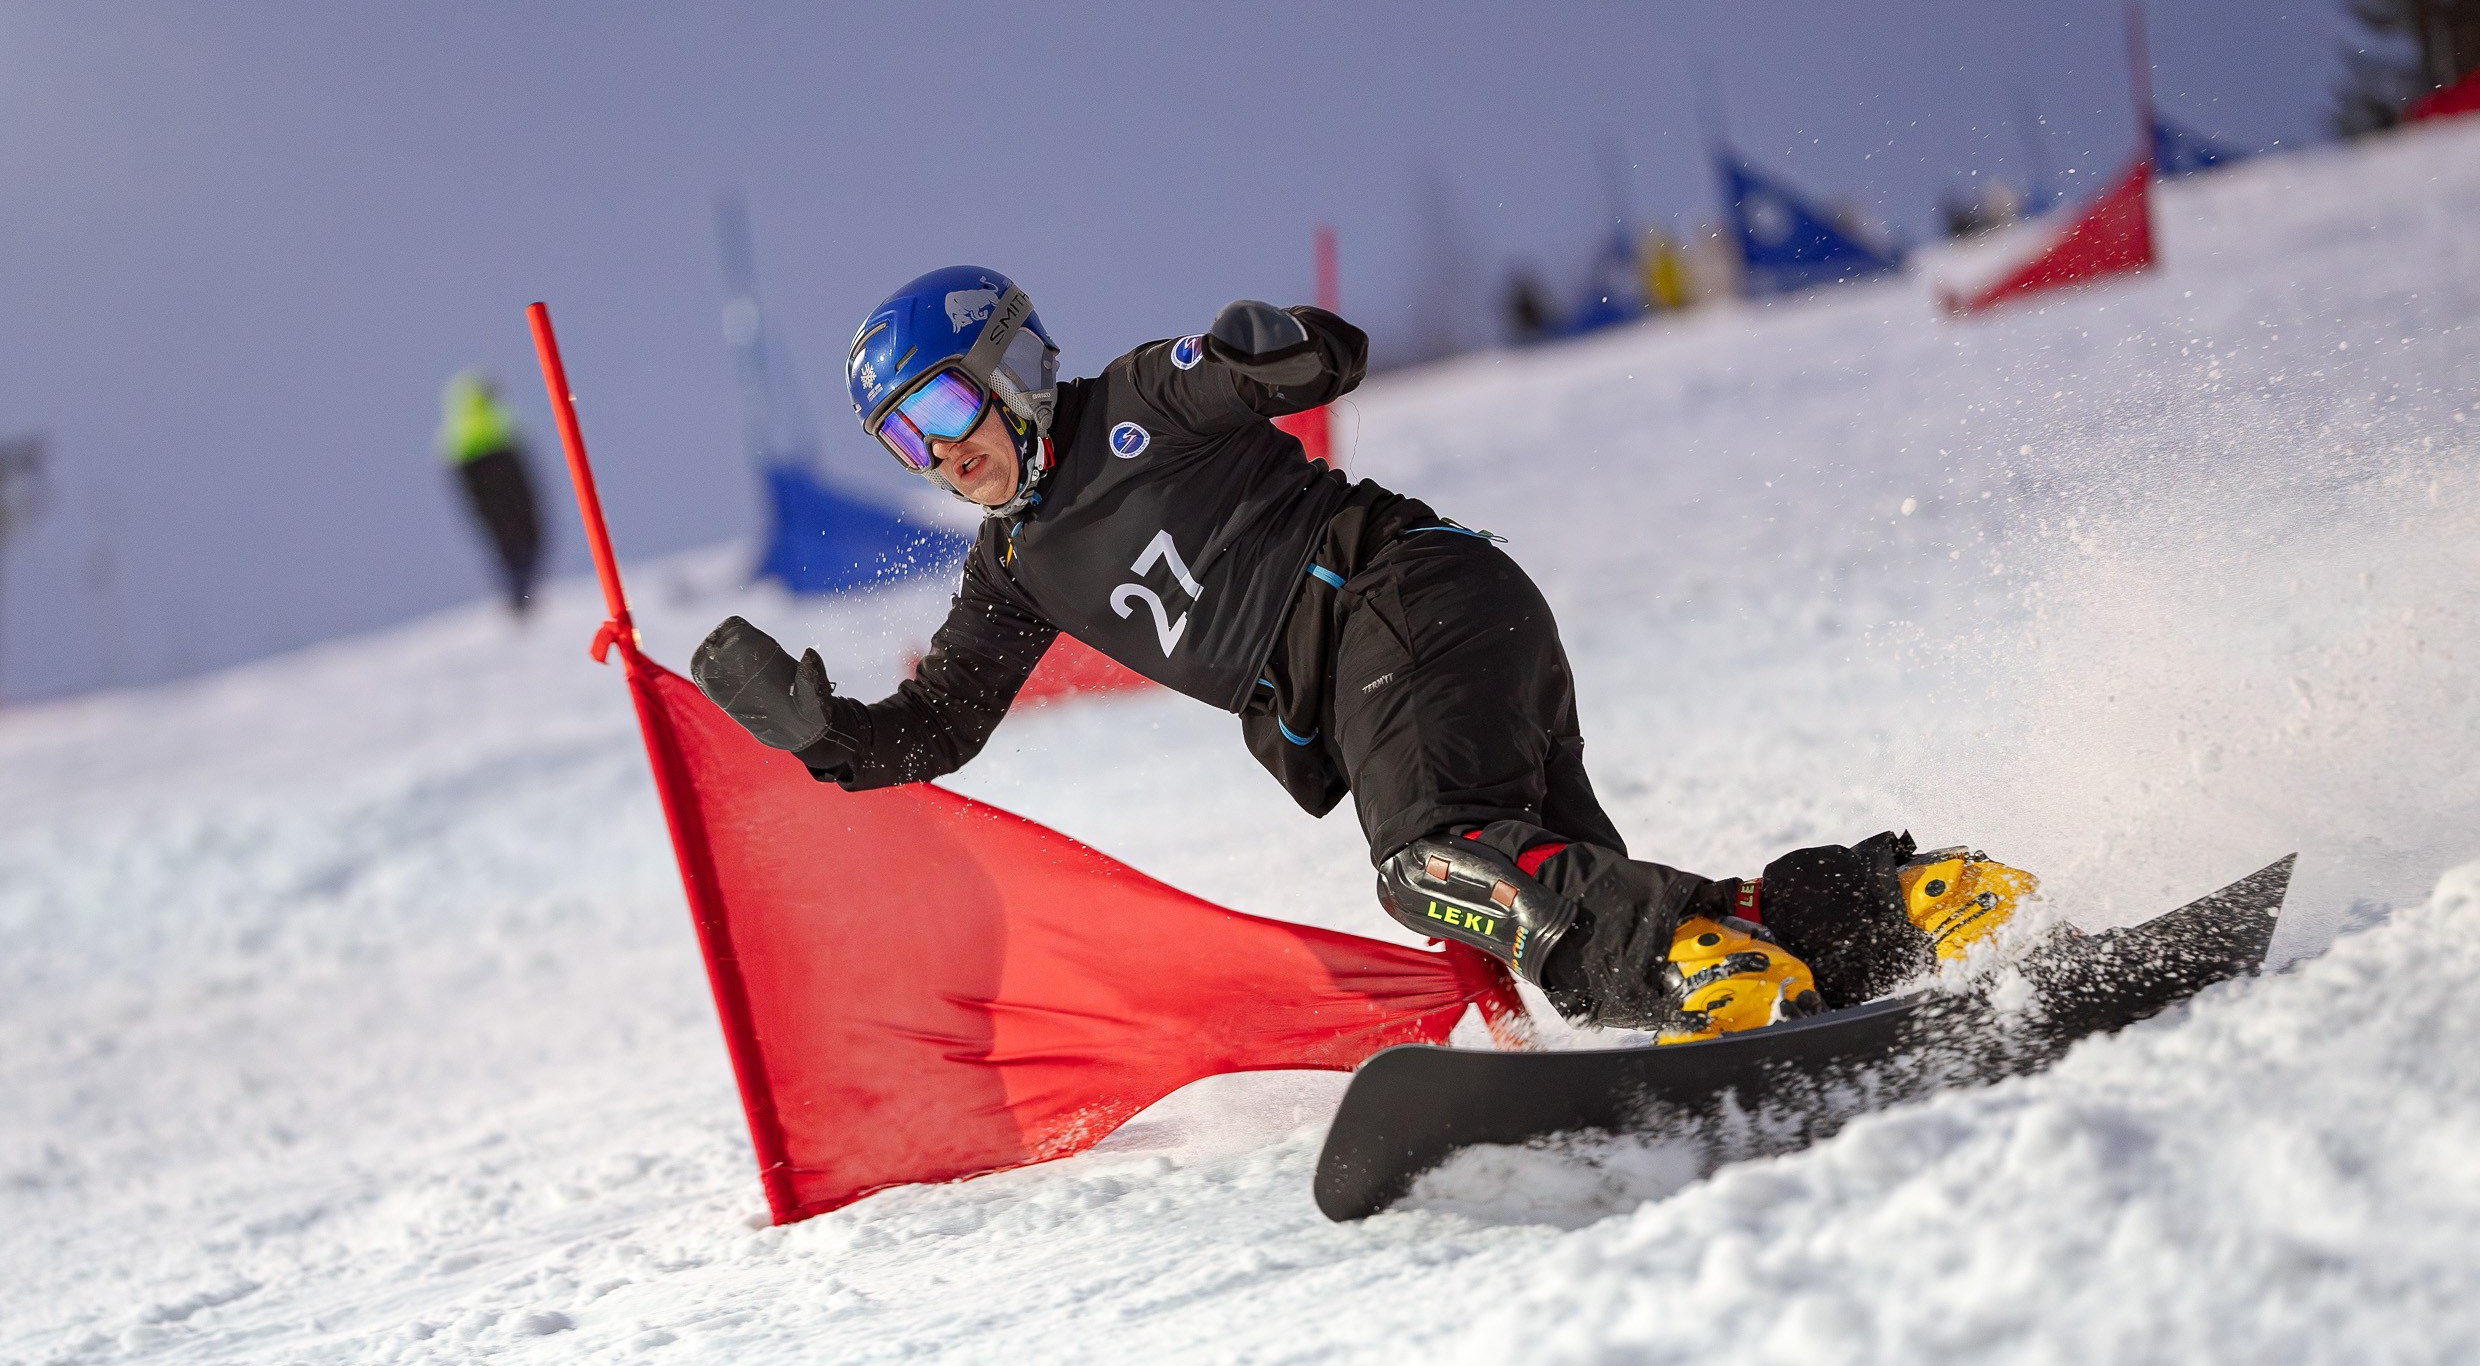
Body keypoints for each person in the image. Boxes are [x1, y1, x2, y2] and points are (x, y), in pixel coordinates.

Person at [690, 266, 2034, 1038]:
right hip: (1439, 630)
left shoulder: (1139, 396)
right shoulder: (1013, 567)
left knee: (1431, 864)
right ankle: (1872, 915)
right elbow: (942, 729)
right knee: (1561, 903)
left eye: (939, 406)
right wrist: (820, 737)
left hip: (1396, 602)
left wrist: (1272, 352)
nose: (944, 453)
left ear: (1009, 363)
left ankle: (1695, 965)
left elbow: (1304, 366)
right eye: (904, 442)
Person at [439, 371, 544, 614]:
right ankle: (520, 595)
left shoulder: (458, 431)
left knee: (509, 542)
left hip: (488, 477)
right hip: (498, 470)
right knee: (520, 539)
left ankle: (520, 594)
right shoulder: (490, 424)